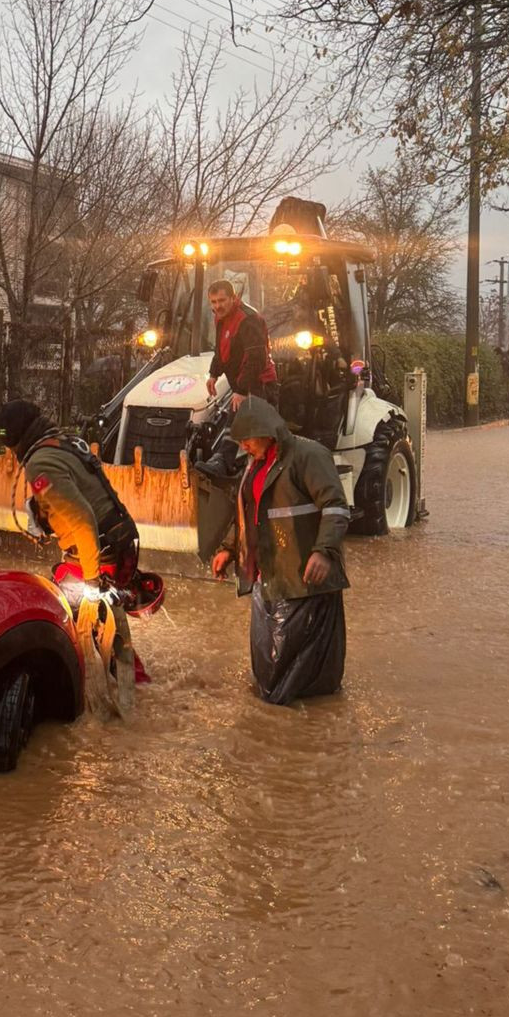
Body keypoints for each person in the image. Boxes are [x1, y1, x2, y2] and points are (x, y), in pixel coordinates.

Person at [0, 399, 151, 704]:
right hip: (118, 544)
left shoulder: (40, 462)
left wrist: (92, 584)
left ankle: (125, 697)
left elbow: (82, 520)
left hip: (98, 554)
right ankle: (139, 687)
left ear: (12, 442)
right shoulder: (63, 443)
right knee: (107, 629)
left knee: (76, 618)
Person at [210, 395, 350, 705]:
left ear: (267, 431)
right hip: (268, 579)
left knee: (293, 684)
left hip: (304, 583)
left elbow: (336, 507)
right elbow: (249, 515)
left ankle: (305, 737)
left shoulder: (308, 456)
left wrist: (324, 551)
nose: (243, 446)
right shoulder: (255, 464)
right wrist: (229, 550)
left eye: (247, 439)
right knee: (267, 674)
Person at [206, 280, 279, 411]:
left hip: (259, 386)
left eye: (222, 300)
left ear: (233, 298)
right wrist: (213, 374)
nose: (218, 306)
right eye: (214, 302)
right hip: (242, 385)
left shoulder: (248, 319)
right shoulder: (220, 317)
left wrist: (242, 390)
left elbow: (256, 358)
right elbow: (221, 350)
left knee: (250, 430)